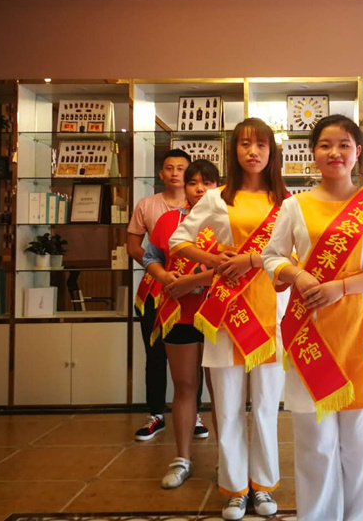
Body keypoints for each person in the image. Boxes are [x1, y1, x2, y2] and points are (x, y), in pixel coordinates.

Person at [262, 115, 363, 521]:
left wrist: (340, 287)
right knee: (315, 444)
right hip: (310, 333)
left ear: (358, 152)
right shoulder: (295, 206)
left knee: (361, 445)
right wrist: (298, 274)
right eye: (325, 145)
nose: (334, 153)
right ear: (313, 152)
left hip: (362, 335)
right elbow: (272, 256)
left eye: (344, 145)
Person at [169, 118, 288, 521]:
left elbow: (296, 253)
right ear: (233, 150)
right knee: (228, 406)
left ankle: (263, 485)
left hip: (270, 314)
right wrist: (213, 260)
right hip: (227, 313)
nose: (253, 152)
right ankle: (235, 488)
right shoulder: (217, 198)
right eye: (244, 144)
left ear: (272, 152)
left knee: (267, 407)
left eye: (261, 145)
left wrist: (252, 260)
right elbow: (178, 240)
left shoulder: (286, 202)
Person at [142, 159, 221, 488]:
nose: (200, 189)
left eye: (207, 182)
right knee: (185, 385)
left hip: (219, 314)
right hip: (178, 312)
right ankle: (182, 458)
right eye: (193, 183)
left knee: (221, 391)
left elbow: (235, 265)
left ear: (218, 186)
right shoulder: (168, 220)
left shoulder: (229, 220)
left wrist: (193, 281)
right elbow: (151, 258)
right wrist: (164, 277)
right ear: (183, 187)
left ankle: (227, 459)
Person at [127, 148, 207, 442]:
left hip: (199, 295)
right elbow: (138, 249)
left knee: (198, 359)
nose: (176, 174)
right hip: (157, 291)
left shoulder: (212, 211)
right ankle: (156, 414)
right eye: (170, 168)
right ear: (161, 173)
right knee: (156, 354)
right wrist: (162, 272)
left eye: (182, 169)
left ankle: (194, 415)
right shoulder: (149, 207)